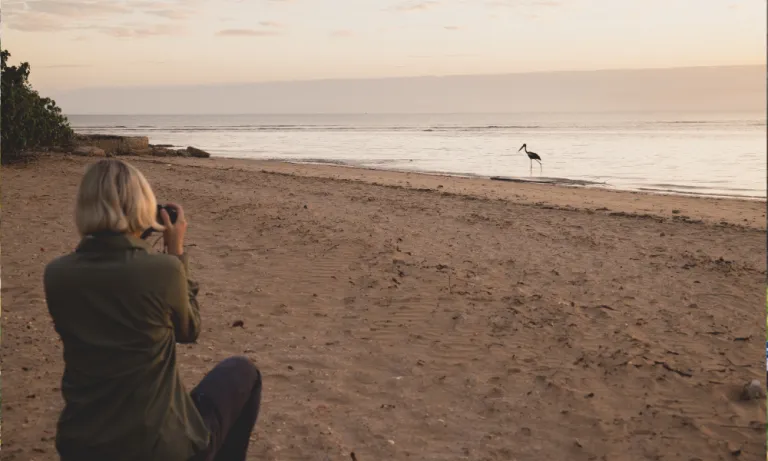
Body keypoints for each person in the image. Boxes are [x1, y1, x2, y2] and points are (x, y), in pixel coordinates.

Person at [43, 159, 262, 461]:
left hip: (81, 445)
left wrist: (134, 240)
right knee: (244, 372)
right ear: (143, 207)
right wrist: (177, 253)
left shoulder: (56, 275)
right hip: (156, 447)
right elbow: (189, 329)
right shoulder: (164, 270)